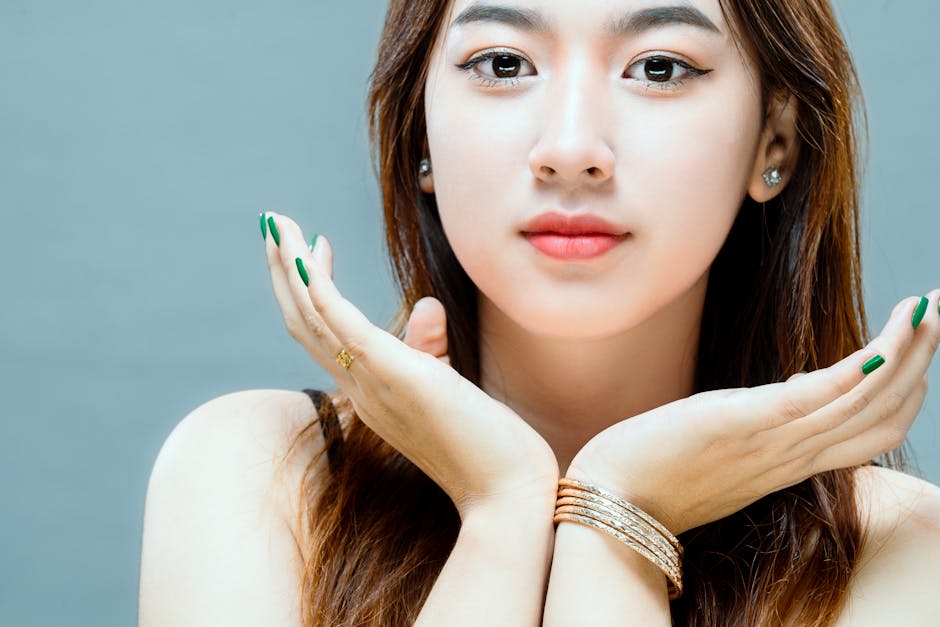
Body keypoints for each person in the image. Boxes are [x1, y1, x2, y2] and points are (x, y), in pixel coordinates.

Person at [138, 0, 940, 625]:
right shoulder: (260, 478)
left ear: (776, 142)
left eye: (659, 67)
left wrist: (618, 513)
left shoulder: (902, 551)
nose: (570, 148)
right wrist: (501, 510)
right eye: (503, 63)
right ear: (420, 131)